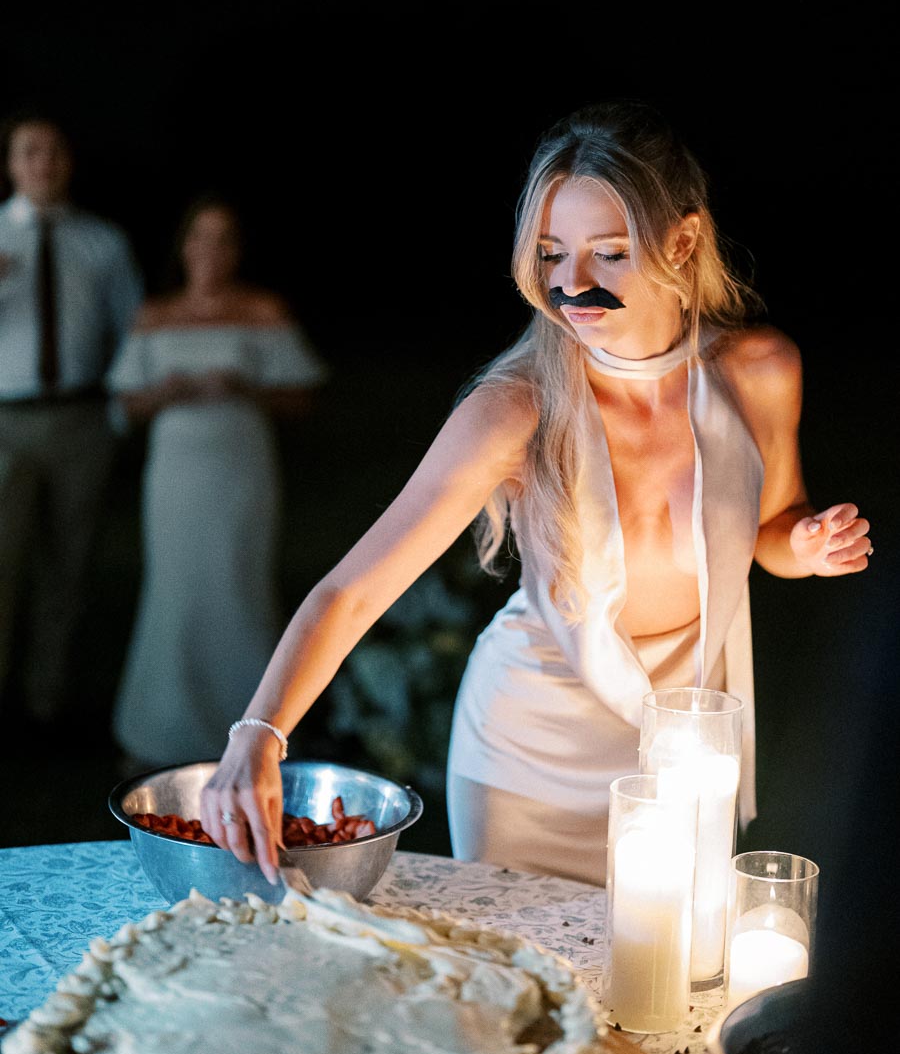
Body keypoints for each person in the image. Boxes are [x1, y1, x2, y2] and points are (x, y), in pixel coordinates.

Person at [199, 100, 871, 887]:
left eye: (608, 254)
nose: (571, 284)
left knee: (660, 994)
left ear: (682, 240)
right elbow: (355, 589)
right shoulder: (515, 407)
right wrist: (258, 733)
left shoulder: (758, 371)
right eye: (552, 255)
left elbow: (770, 526)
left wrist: (804, 545)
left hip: (683, 750)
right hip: (528, 761)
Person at [105, 195, 328, 770]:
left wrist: (245, 387)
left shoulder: (262, 310)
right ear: (183, 247)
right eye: (200, 236)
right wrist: (166, 391)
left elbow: (301, 397)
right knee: (174, 587)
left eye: (224, 237)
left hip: (240, 468)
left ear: (237, 249)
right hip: (176, 473)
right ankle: (160, 731)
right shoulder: (155, 315)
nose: (211, 249)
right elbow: (125, 405)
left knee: (238, 584)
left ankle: (253, 729)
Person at [0, 111, 144, 734]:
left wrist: (116, 417)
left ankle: (47, 701)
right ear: (11, 163)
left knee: (68, 564)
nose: (44, 162)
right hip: (6, 421)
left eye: (55, 149)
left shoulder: (103, 241)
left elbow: (131, 329)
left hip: (82, 421)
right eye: (30, 150)